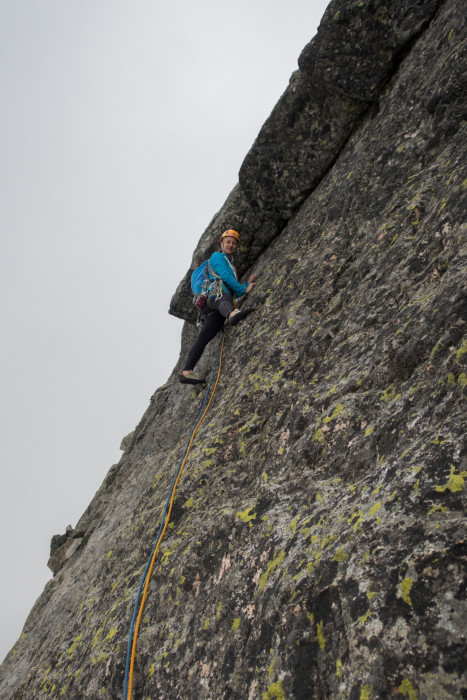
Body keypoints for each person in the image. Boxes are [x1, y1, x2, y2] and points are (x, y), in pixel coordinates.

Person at [180, 229, 257, 384]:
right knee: (222, 296)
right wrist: (243, 288)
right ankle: (232, 314)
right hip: (215, 293)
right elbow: (225, 277)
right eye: (228, 242)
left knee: (204, 336)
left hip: (216, 304)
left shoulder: (230, 264)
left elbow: (232, 290)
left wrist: (248, 282)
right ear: (221, 243)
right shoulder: (217, 257)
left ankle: (186, 371)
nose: (231, 245)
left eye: (234, 243)